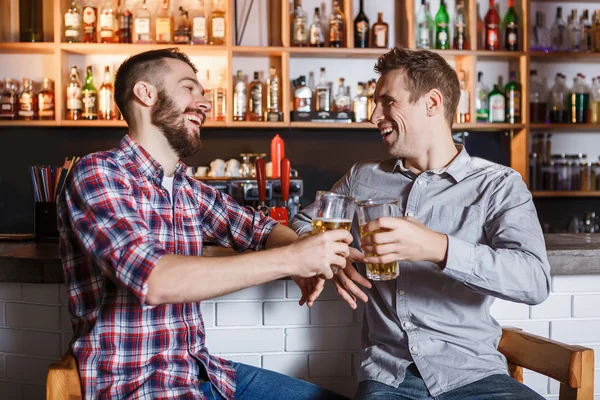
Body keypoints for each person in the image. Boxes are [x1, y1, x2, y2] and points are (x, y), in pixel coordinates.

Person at [57, 48, 352, 400]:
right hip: (138, 387)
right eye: (189, 88)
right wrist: (293, 259)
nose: (205, 103)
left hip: (204, 374)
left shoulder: (190, 190)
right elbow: (154, 280)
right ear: (145, 93)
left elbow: (261, 229)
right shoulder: (98, 173)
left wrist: (298, 252)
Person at [290, 47, 551, 400]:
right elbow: (301, 223)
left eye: (387, 102)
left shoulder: (499, 185)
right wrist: (330, 259)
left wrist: (437, 247)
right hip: (389, 378)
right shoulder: (363, 177)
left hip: (476, 376)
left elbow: (534, 280)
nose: (373, 116)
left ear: (431, 103)